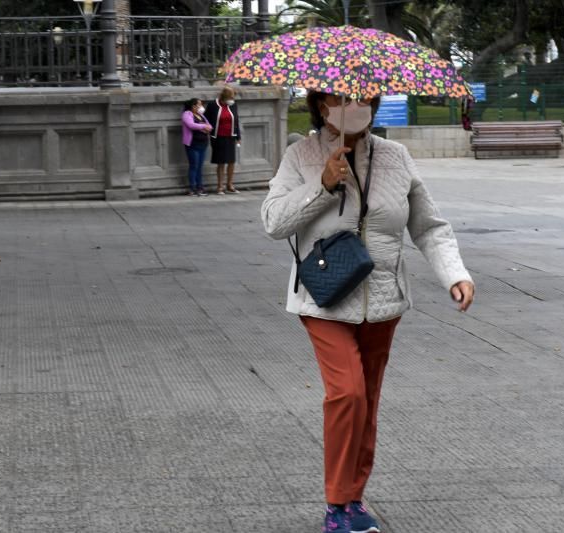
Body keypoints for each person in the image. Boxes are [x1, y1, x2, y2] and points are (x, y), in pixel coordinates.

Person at [261, 91, 475, 533]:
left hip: (383, 299)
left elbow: (428, 226)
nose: (354, 103)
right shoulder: (299, 155)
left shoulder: (396, 157)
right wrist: (320, 185)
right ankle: (337, 505)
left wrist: (454, 273)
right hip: (324, 299)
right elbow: (272, 222)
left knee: (368, 402)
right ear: (322, 105)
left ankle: (354, 498)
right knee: (348, 393)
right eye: (342, 96)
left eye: (363, 96)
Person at [206, 86, 241, 194]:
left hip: (230, 136)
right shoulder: (213, 105)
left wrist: (238, 137)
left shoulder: (233, 105)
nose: (232, 100)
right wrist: (208, 129)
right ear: (224, 97)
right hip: (218, 137)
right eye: (230, 97)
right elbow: (206, 118)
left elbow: (236, 121)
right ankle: (220, 186)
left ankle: (230, 184)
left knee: (231, 161)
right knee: (221, 162)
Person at [181, 98, 212, 196]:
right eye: (199, 104)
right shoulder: (187, 114)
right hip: (192, 144)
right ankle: (192, 188)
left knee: (199, 167)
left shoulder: (201, 115)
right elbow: (191, 125)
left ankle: (200, 188)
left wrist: (204, 126)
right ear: (193, 106)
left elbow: (210, 126)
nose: (201, 106)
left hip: (203, 144)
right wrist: (203, 126)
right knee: (193, 166)